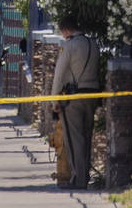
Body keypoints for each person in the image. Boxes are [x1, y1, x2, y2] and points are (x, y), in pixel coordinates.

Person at [52, 13, 100, 189]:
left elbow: (59, 74)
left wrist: (54, 100)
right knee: (87, 137)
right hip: (93, 95)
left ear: (65, 30)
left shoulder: (70, 45)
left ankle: (78, 179)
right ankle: (84, 176)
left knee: (75, 140)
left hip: (74, 98)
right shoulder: (93, 44)